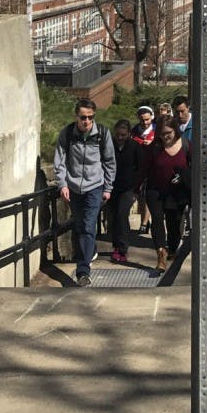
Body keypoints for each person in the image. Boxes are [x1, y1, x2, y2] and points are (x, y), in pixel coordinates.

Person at [53, 98, 115, 286]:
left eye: (90, 117)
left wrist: (108, 187)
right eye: (83, 117)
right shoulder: (67, 134)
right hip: (73, 188)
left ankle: (83, 272)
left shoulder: (102, 134)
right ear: (76, 116)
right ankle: (90, 250)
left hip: (94, 186)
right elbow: (60, 161)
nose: (87, 121)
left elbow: (110, 162)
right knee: (80, 227)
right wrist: (62, 184)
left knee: (88, 227)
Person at [139, 115, 191, 272]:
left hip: (177, 193)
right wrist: (135, 188)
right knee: (157, 220)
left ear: (175, 130)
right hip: (156, 190)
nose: (165, 137)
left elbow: (194, 168)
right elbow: (143, 169)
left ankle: (173, 248)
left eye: (168, 133)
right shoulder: (154, 147)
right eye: (161, 134)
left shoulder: (187, 146)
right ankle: (160, 254)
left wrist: (183, 177)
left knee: (174, 223)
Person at [107, 120, 142, 264]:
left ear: (128, 134)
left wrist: (136, 187)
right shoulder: (109, 146)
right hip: (112, 187)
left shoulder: (134, 147)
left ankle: (122, 248)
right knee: (114, 217)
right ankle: (116, 246)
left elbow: (141, 168)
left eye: (123, 135)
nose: (120, 137)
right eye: (118, 134)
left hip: (128, 188)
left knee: (122, 214)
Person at [129, 105, 155, 233]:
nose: (145, 123)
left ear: (151, 118)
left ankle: (144, 224)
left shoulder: (157, 131)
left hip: (152, 168)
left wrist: (153, 144)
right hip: (137, 168)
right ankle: (145, 220)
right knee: (139, 196)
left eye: (147, 120)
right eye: (142, 120)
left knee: (147, 195)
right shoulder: (133, 132)